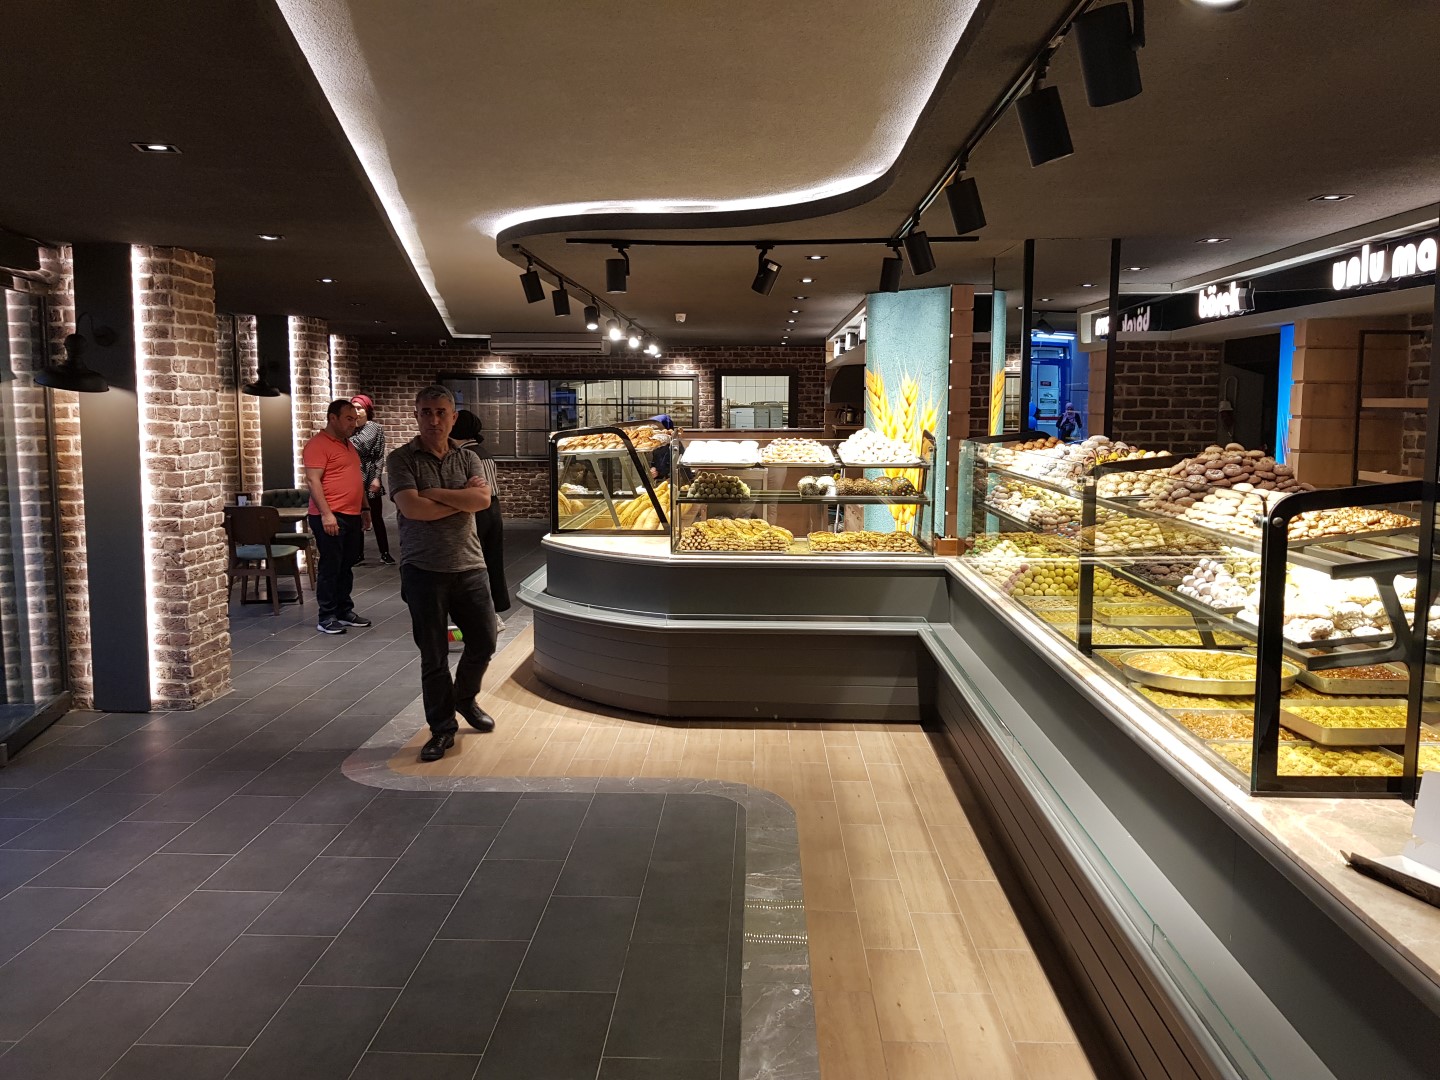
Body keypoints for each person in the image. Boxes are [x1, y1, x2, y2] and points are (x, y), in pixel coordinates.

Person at [387, 385, 498, 762]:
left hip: (470, 565)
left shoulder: (468, 458)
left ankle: (464, 698)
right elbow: (413, 509)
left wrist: (432, 492)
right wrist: (460, 499)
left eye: (440, 412)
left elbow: (481, 501)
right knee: (433, 655)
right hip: (423, 570)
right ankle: (442, 728)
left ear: (453, 417)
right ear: (416, 415)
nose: (433, 419)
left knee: (484, 642)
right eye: (426, 412)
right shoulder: (401, 459)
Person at [303, 399, 372, 635]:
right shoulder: (318, 445)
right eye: (349, 419)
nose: (354, 423)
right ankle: (326, 616)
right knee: (331, 566)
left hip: (351, 514)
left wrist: (365, 509)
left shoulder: (348, 444)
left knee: (346, 565)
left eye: (355, 419)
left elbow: (356, 479)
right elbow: (313, 481)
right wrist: (326, 514)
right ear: (333, 418)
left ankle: (344, 610)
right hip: (331, 515)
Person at [450, 409, 511, 626]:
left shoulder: (466, 455)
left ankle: (484, 614)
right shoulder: (483, 451)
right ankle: (494, 610)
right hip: (493, 509)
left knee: (476, 563)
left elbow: (471, 492)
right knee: (492, 560)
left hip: (478, 511)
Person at [349, 393, 394, 565]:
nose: (356, 411)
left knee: (376, 515)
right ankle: (358, 553)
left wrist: (377, 477)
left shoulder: (374, 428)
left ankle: (385, 552)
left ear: (367, 410)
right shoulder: (348, 428)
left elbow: (375, 454)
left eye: (359, 408)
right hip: (352, 474)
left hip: (368, 473)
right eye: (353, 408)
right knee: (356, 516)